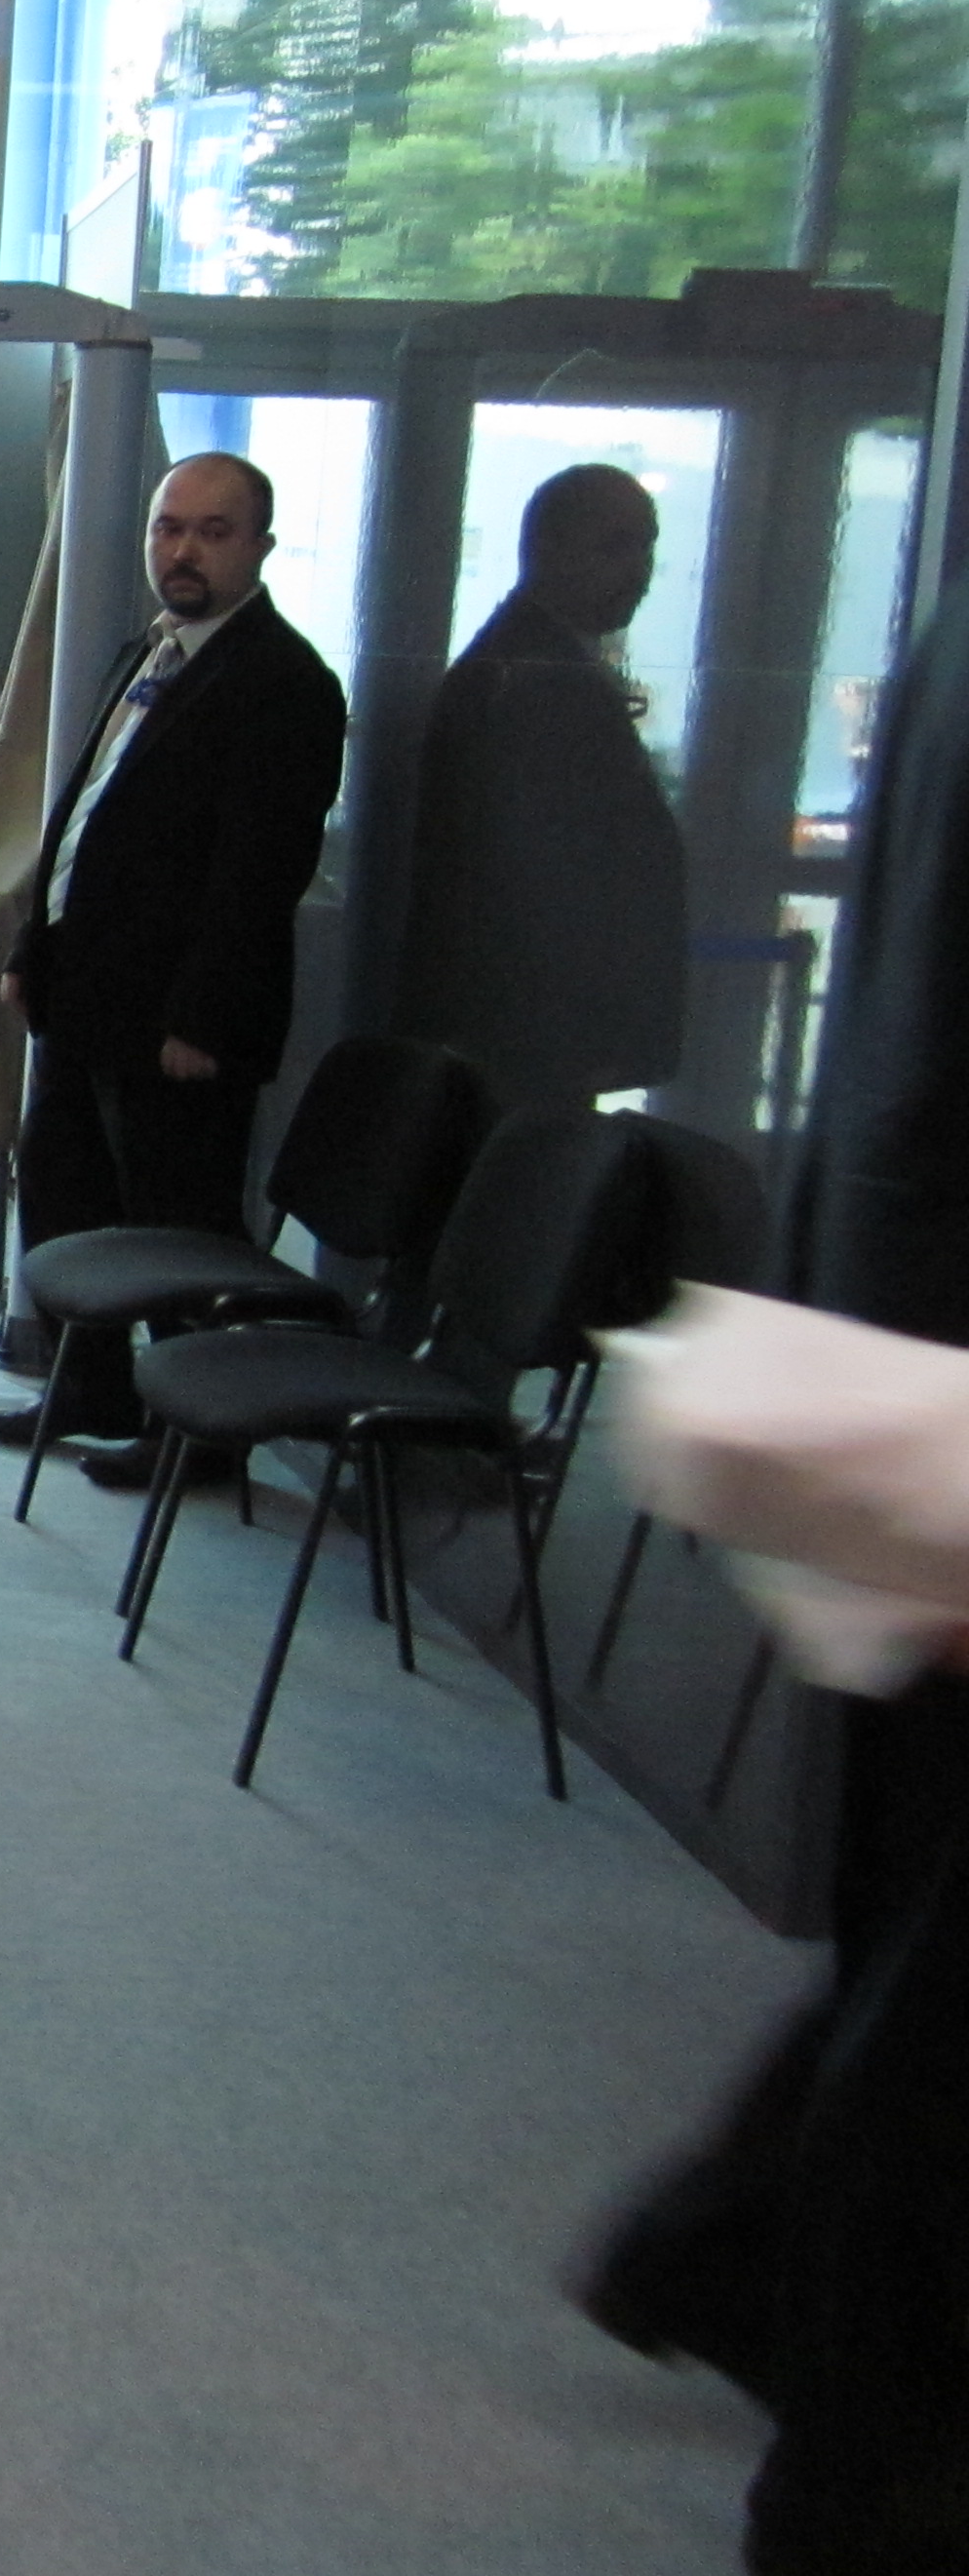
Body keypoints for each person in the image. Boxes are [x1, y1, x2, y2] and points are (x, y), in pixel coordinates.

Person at [579, 593, 969, 2576]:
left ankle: (731, 2255)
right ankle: (850, 2459)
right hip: (934, 1384)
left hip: (904, 1350)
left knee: (927, 1932)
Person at [0, 452, 345, 1488]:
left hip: (179, 1020)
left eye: (212, 533)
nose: (182, 551)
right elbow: (84, 817)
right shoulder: (146, 653)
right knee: (67, 1197)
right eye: (168, 527)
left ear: (260, 548)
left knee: (176, 1224)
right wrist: (32, 950)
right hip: (85, 997)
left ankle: (202, 1436)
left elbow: (258, 872)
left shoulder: (283, 681)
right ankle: (89, 1386)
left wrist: (203, 1018)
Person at [402, 463, 687, 1111]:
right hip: (529, 1037)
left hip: (522, 1035)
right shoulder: (538, 682)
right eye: (615, 546)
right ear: (549, 549)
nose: (639, 570)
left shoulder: (530, 666)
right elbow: (543, 886)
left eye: (646, 546)